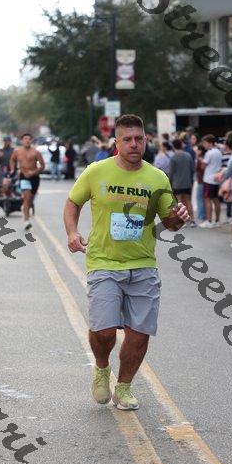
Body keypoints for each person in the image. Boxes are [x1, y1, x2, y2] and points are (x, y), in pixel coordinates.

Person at [63, 114, 190, 411]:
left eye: (139, 139)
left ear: (146, 140)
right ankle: (101, 367)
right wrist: (72, 232)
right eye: (127, 139)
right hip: (104, 262)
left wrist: (179, 218)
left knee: (139, 333)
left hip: (143, 264)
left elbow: (170, 222)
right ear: (116, 143)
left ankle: (124, 386)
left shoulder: (157, 178)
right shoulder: (97, 171)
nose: (134, 144)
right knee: (104, 331)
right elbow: (73, 202)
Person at [10, 133, 45, 231]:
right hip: (23, 176)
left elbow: (42, 166)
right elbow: (12, 160)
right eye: (25, 138)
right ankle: (26, 221)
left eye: (29, 139)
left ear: (31, 140)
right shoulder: (17, 151)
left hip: (34, 177)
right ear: (22, 140)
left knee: (30, 199)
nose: (27, 140)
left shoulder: (36, 152)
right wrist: (12, 169)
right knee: (27, 198)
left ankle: (25, 207)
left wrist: (33, 172)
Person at [169, 138, 196, 226]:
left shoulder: (173, 158)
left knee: (179, 203)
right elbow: (192, 169)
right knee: (188, 201)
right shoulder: (188, 156)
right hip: (187, 182)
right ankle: (192, 220)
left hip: (177, 183)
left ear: (173, 146)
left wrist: (169, 183)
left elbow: (171, 173)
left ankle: (181, 221)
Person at [199, 134, 222, 228]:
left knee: (207, 199)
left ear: (210, 143)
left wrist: (200, 159)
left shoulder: (209, 153)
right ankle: (217, 220)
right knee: (216, 199)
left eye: (205, 143)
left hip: (208, 179)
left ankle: (209, 220)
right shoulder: (218, 152)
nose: (204, 145)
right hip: (216, 179)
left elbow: (203, 166)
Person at [194, 143, 206, 223]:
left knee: (199, 198)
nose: (196, 151)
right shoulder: (205, 158)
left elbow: (198, 169)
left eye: (197, 150)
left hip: (201, 180)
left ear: (200, 151)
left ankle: (201, 216)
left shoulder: (199, 159)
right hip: (204, 180)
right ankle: (202, 215)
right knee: (203, 198)